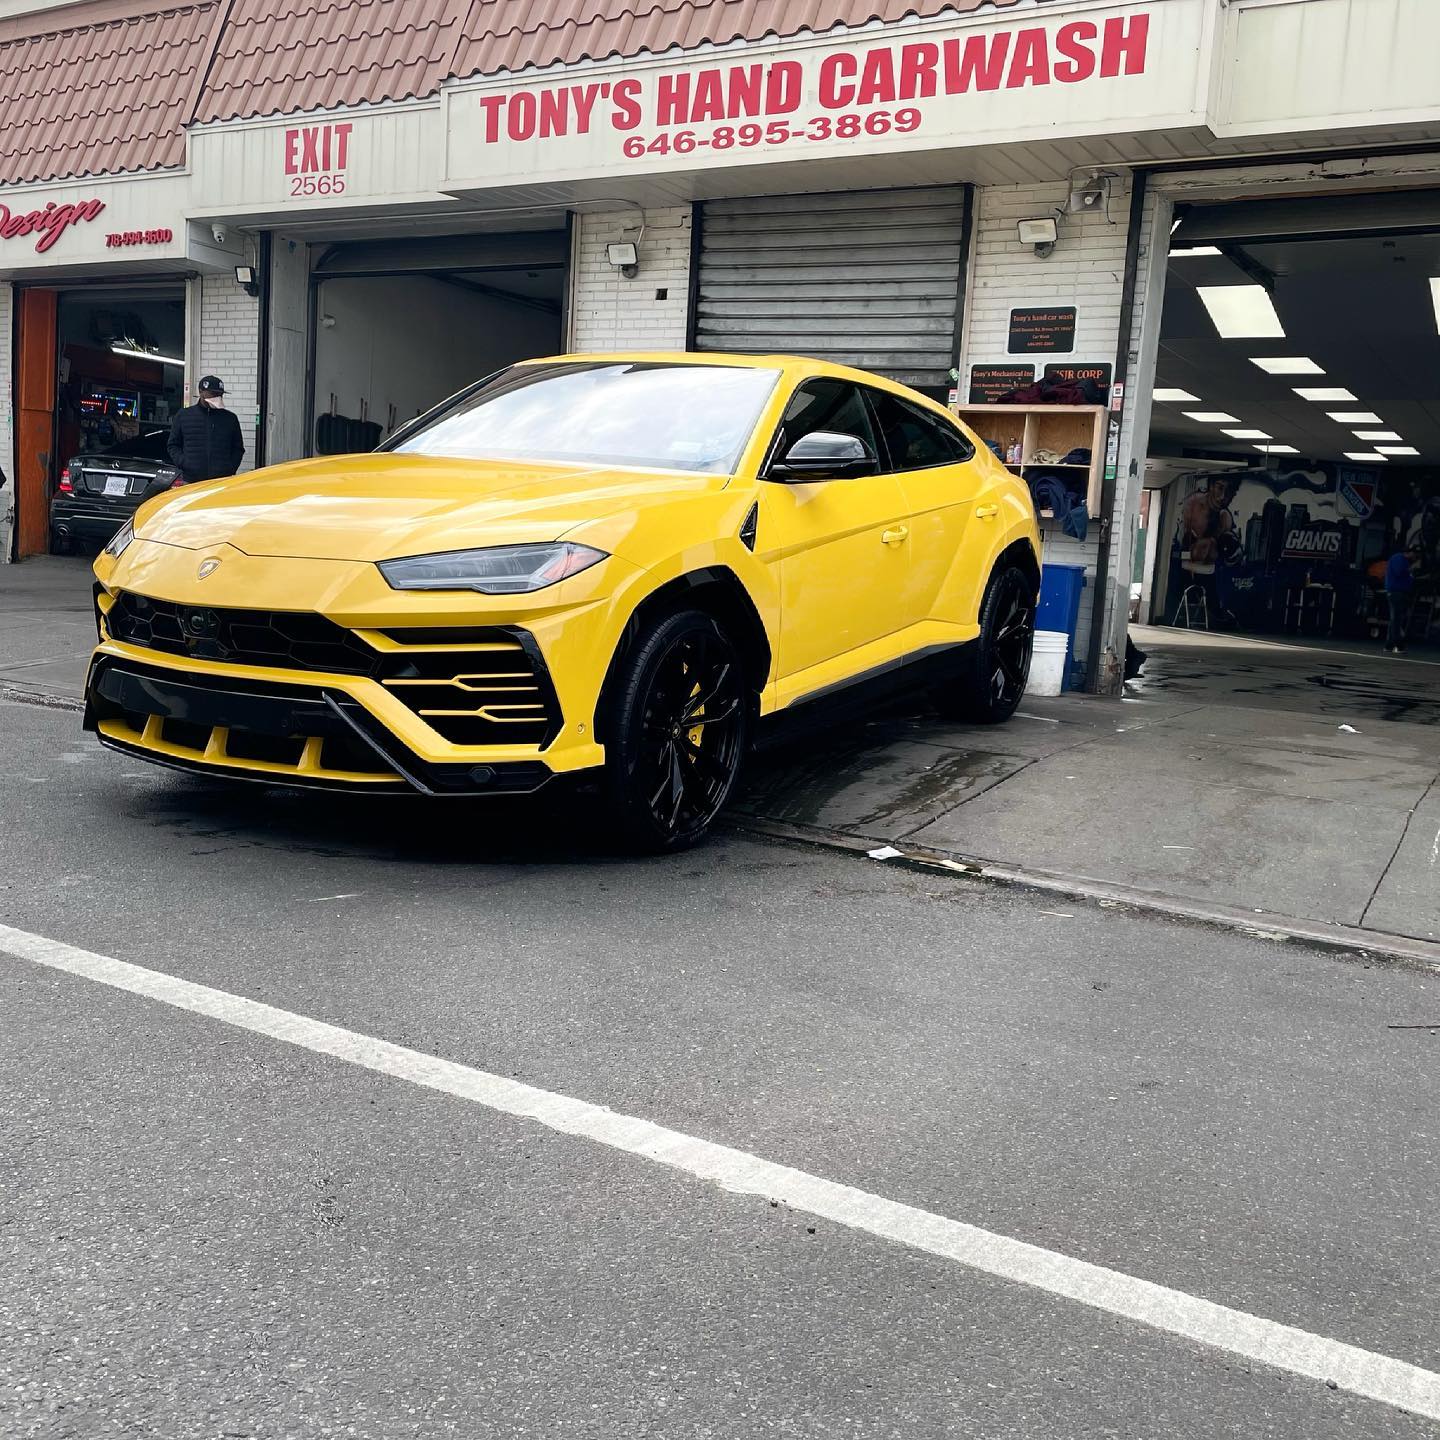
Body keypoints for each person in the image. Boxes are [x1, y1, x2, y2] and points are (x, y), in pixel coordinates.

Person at [167, 375, 244, 484]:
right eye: (213, 393)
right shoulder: (184, 415)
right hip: (191, 480)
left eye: (219, 394)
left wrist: (229, 468)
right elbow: (173, 445)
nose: (217, 397)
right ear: (201, 392)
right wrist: (185, 463)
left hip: (221, 480)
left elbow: (238, 448)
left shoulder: (230, 418)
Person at [1383, 544, 1420, 654]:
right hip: (1396, 592)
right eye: (1415, 554)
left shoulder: (1402, 560)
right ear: (1409, 552)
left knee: (1395, 619)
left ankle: (1389, 645)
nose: (1415, 556)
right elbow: (1399, 572)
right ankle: (1398, 645)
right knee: (1396, 620)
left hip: (1398, 592)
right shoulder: (1399, 558)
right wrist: (1412, 568)